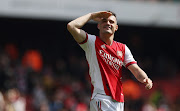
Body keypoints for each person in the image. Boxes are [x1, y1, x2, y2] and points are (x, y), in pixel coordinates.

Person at [67, 11, 153, 111]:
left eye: (111, 22)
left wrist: (146, 79)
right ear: (98, 26)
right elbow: (71, 26)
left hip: (119, 101)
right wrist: (91, 16)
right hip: (102, 98)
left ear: (116, 27)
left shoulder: (123, 48)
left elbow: (135, 69)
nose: (108, 23)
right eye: (104, 21)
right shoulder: (91, 42)